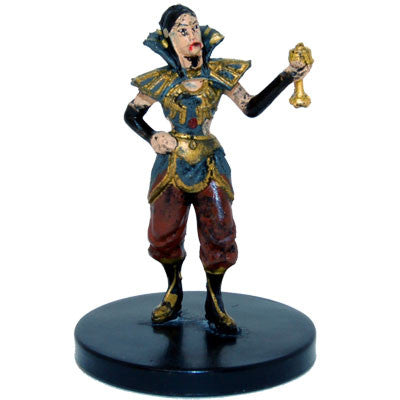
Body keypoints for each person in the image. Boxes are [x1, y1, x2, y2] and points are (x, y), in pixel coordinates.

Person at [124, 4, 311, 334]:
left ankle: (215, 299)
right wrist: (152, 136)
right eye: (183, 30)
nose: (192, 35)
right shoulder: (161, 80)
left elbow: (251, 107)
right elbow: (132, 114)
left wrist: (286, 77)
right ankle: (173, 291)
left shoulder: (218, 75)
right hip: (171, 165)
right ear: (169, 40)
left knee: (220, 230)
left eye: (195, 27)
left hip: (210, 162)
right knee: (165, 231)